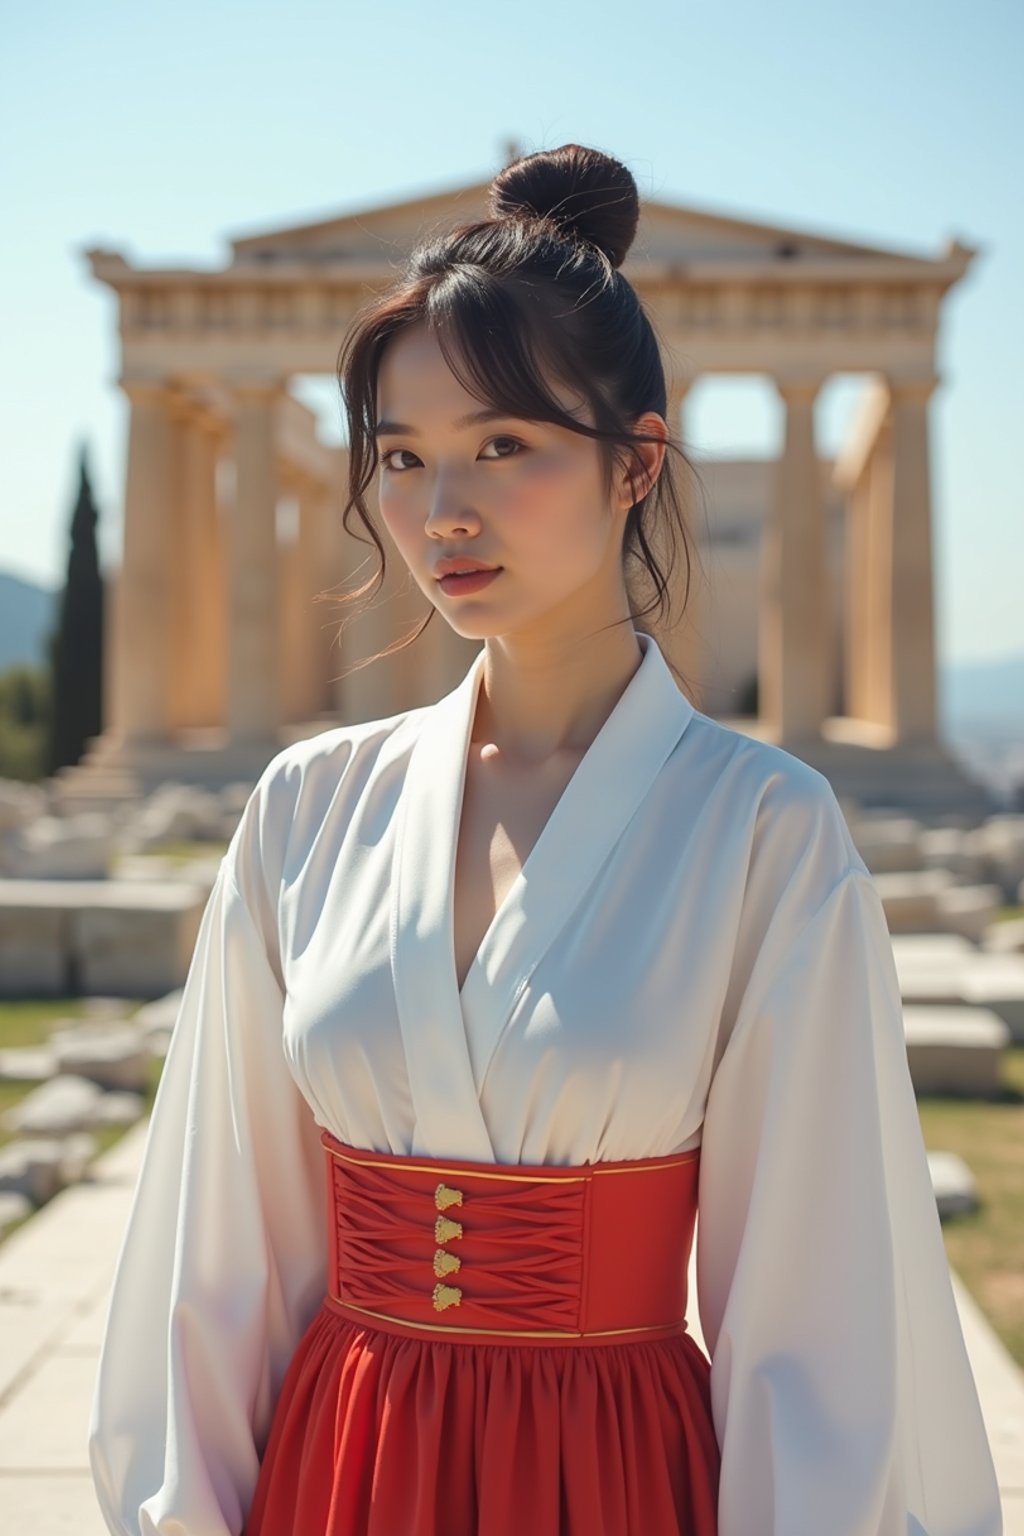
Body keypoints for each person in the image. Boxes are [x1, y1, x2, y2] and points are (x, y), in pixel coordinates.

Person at [88, 143, 1002, 1536]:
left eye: (502, 445)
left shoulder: (764, 835)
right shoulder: (305, 811)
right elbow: (214, 1275)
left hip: (612, 1480)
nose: (442, 509)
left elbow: (824, 1333)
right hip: (344, 1475)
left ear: (637, 465)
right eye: (402, 457)